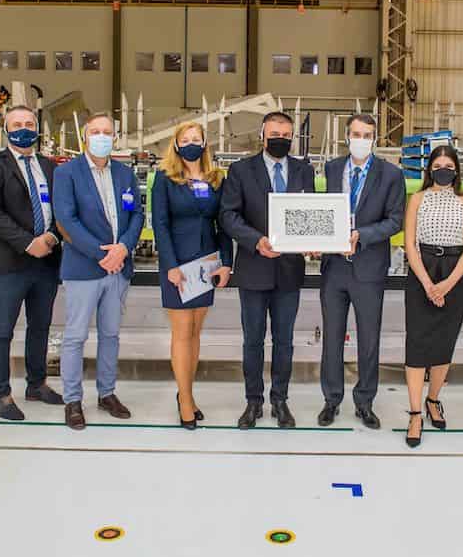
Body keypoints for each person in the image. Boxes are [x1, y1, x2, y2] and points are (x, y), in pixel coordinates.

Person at [220, 111, 315, 429]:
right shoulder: (241, 170)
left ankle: (280, 401)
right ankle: (253, 402)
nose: (280, 139)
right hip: (253, 266)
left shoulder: (304, 171)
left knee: (285, 341)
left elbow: (311, 213)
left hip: (289, 269)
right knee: (253, 341)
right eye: (275, 133)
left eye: (286, 135)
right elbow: (229, 216)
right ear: (262, 134)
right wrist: (255, 240)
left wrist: (314, 239)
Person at [53, 112, 144, 431]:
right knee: (76, 336)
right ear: (85, 136)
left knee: (111, 334)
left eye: (107, 132)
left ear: (114, 137)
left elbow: (137, 215)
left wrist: (124, 248)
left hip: (118, 268)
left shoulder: (124, 173)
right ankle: (72, 399)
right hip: (84, 267)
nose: (102, 137)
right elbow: (66, 219)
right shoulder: (67, 173)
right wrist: (101, 253)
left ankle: (107, 393)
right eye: (96, 131)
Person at [0, 105, 64, 421]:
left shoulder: (50, 167)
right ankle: (0, 393)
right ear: (5, 129)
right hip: (11, 261)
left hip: (47, 261)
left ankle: (36, 383)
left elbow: (62, 209)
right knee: (2, 330)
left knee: (40, 326)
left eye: (29, 123)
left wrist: (51, 238)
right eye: (17, 123)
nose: (24, 128)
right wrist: (28, 243)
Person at [317, 114, 405, 430]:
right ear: (346, 136)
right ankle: (332, 399)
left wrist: (361, 236)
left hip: (368, 267)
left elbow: (395, 221)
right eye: (356, 133)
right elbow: (324, 213)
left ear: (375, 138)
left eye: (367, 134)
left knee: (369, 340)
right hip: (334, 267)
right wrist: (319, 240)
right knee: (332, 338)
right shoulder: (331, 169)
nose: (361, 139)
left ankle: (365, 401)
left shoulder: (391, 175)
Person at [151, 121, 233, 429]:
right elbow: (160, 224)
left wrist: (226, 262)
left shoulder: (216, 179)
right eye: (185, 139)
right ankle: (184, 401)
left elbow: (222, 224)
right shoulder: (165, 178)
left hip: (206, 263)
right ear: (175, 144)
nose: (190, 144)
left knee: (196, 332)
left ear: (205, 143)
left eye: (196, 139)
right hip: (177, 265)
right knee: (182, 332)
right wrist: (170, 265)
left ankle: (187, 393)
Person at [402, 145, 463, 447]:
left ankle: (434, 399)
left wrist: (447, 284)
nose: (443, 169)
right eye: (437, 165)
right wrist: (427, 282)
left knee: (444, 341)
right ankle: (416, 412)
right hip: (422, 270)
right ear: (429, 169)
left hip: (454, 273)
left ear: (456, 169)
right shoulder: (417, 199)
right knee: (418, 342)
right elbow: (410, 244)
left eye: (448, 165)